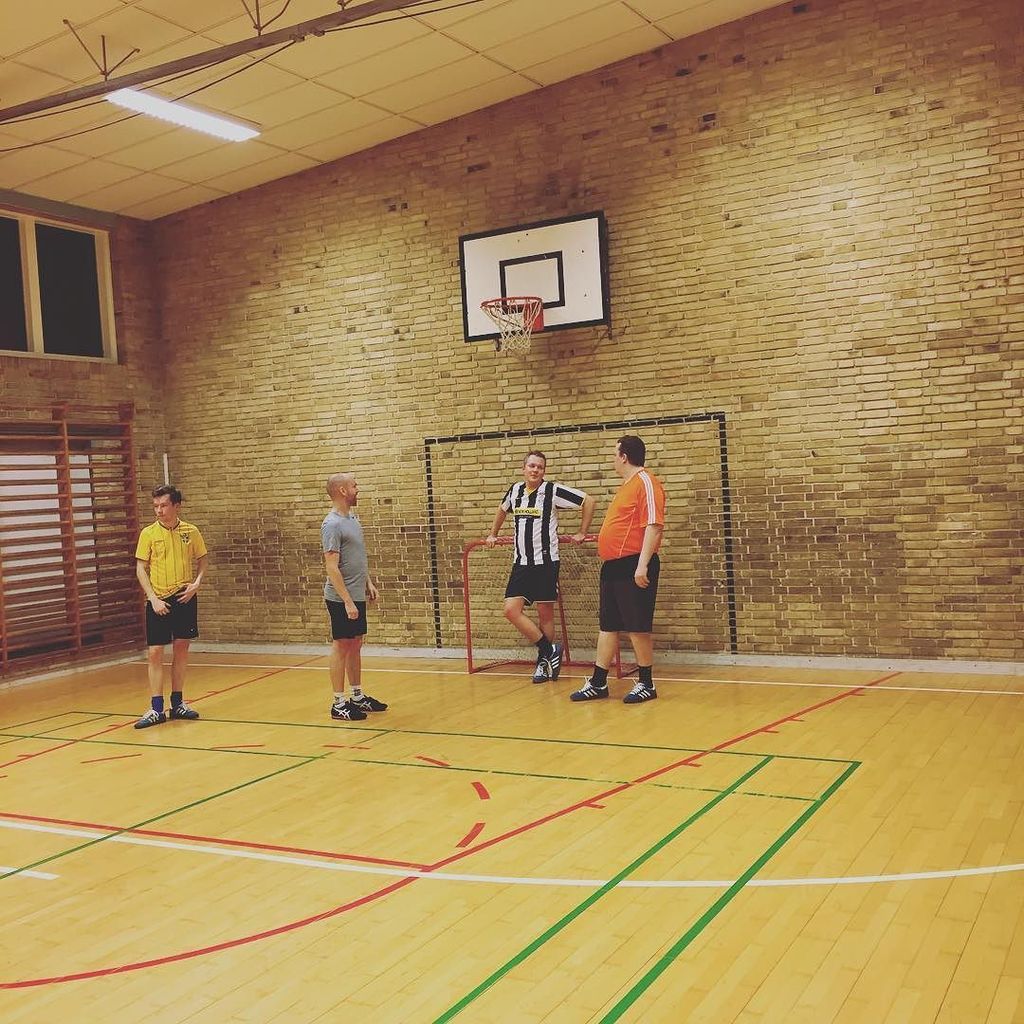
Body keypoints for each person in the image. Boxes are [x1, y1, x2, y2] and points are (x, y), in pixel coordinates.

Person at [570, 435, 665, 705]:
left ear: (624, 456)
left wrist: (642, 564)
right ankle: (598, 682)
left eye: (615, 454)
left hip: (633, 563)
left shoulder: (646, 482)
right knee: (608, 625)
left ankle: (646, 683)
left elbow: (654, 525)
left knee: (637, 626)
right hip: (613, 566)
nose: (613, 459)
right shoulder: (626, 486)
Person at [486, 450, 595, 683]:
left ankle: (543, 664)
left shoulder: (552, 491)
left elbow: (588, 501)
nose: (535, 470)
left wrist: (582, 532)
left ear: (544, 471)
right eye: (532, 466)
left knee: (545, 615)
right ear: (523, 468)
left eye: (540, 467)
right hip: (521, 563)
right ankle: (549, 649)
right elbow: (502, 509)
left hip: (546, 563)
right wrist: (493, 533)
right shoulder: (515, 490)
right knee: (511, 610)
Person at [133, 485, 208, 729]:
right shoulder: (148, 534)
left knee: (182, 648)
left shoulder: (191, 531)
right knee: (155, 652)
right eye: (156, 506)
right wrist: (152, 598)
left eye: (164, 505)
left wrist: (197, 583)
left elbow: (202, 559)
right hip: (159, 599)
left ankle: (178, 703)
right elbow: (140, 568)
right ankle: (156, 708)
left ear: (176, 506)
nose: (159, 510)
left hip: (184, 597)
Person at [322, 472, 388, 721]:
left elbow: (357, 557)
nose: (357, 489)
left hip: (357, 592)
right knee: (342, 645)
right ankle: (338, 703)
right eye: (354, 486)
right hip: (341, 598)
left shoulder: (353, 519)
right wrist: (347, 600)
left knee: (356, 643)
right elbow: (331, 567)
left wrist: (368, 582)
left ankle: (357, 696)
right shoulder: (331, 524)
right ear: (342, 490)